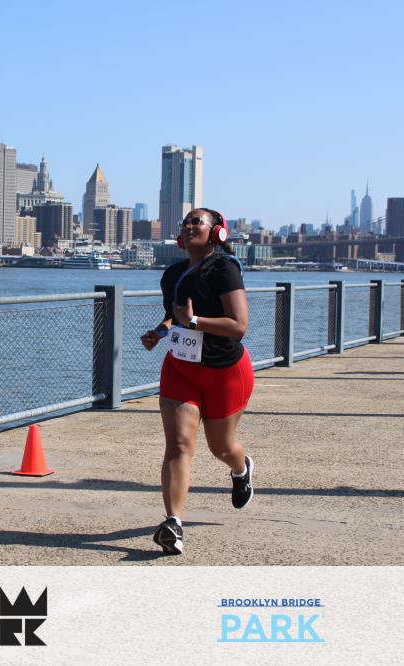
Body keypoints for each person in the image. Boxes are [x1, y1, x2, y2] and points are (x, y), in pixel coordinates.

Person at [140, 208, 255, 555]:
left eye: (197, 222)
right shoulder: (173, 274)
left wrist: (194, 321)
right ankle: (173, 524)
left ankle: (241, 468)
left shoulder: (224, 269)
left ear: (217, 232)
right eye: (186, 222)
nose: (189, 226)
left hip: (225, 372)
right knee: (178, 445)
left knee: (222, 448)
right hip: (182, 369)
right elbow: (173, 317)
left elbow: (238, 325)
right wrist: (159, 332)